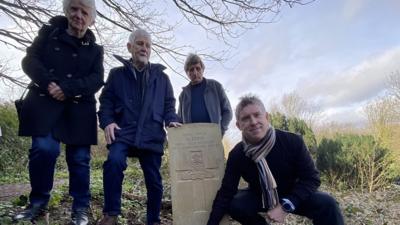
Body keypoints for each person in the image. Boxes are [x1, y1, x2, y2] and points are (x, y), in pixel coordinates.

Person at [13, 0, 104, 224]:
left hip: (79, 109)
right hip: (45, 102)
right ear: (66, 10)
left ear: (91, 19)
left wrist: (68, 89)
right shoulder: (47, 34)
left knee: (80, 158)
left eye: (85, 12)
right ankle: (38, 202)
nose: (79, 15)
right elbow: (29, 60)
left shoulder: (96, 50)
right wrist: (49, 83)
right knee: (44, 150)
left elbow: (97, 79)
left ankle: (80, 208)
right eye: (74, 9)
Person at [207, 95, 344, 225]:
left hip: (294, 192)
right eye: (246, 118)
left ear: (267, 117)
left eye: (257, 115)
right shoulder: (237, 154)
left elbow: (311, 179)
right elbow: (226, 192)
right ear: (239, 125)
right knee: (235, 204)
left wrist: (286, 205)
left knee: (328, 204)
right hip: (260, 195)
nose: (253, 122)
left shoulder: (292, 141)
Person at [97, 28, 181, 225]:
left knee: (154, 180)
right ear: (130, 47)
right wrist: (108, 121)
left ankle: (153, 220)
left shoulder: (162, 78)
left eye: (147, 45)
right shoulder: (116, 74)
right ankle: (111, 214)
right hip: (123, 132)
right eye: (140, 44)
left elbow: (169, 105)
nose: (144, 48)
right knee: (113, 163)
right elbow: (106, 102)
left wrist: (171, 120)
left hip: (151, 134)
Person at [178, 53, 232, 136]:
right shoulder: (183, 95)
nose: (195, 73)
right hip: (191, 141)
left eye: (198, 68)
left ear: (203, 69)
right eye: (191, 70)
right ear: (187, 73)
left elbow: (228, 112)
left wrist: (220, 131)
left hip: (213, 138)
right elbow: (180, 120)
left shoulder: (215, 87)